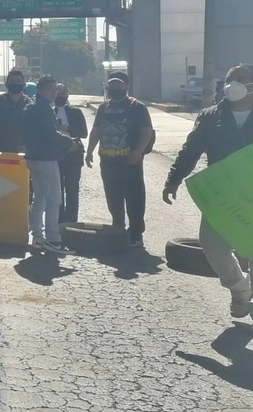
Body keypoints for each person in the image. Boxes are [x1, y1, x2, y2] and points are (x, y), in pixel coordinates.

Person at [164, 63, 253, 319]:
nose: (233, 84)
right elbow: (191, 150)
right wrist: (173, 179)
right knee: (211, 244)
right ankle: (239, 288)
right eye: (230, 79)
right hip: (222, 196)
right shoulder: (210, 116)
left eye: (241, 79)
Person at [85, 71, 154, 247]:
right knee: (113, 196)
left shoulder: (137, 107)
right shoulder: (103, 107)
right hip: (108, 160)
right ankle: (118, 228)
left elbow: (146, 131)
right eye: (112, 85)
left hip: (129, 160)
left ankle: (136, 233)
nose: (115, 88)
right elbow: (97, 130)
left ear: (126, 86)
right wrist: (90, 151)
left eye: (119, 85)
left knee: (134, 197)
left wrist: (138, 152)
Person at [23, 76, 79, 255]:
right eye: (50, 89)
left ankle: (38, 237)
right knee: (54, 199)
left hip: (34, 157)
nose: (54, 93)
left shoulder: (31, 107)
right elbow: (50, 134)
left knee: (40, 197)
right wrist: (70, 142)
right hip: (46, 158)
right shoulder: (43, 109)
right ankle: (53, 238)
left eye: (55, 89)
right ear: (40, 90)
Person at [55, 84, 88, 224]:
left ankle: (72, 222)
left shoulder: (76, 112)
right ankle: (59, 221)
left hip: (74, 156)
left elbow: (84, 133)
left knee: (72, 190)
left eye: (63, 93)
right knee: (57, 192)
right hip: (56, 156)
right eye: (57, 92)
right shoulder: (49, 111)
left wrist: (68, 128)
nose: (60, 96)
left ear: (67, 95)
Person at [0, 69, 30, 153]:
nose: (15, 83)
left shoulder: (30, 103)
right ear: (6, 83)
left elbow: (34, 128)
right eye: (12, 81)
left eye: (18, 81)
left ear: (23, 84)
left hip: (22, 151)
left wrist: (28, 146)